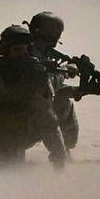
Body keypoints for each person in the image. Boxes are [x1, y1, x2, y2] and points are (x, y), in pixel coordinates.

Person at [0, 24, 68, 167]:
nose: (21, 54)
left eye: (25, 49)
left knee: (13, 168)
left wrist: (58, 156)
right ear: (5, 50)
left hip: (21, 136)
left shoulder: (35, 74)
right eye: (16, 50)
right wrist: (5, 84)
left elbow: (47, 119)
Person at [27, 11, 81, 150]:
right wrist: (66, 71)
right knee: (64, 104)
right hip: (30, 114)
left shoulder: (27, 48)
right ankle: (65, 150)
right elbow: (45, 81)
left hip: (25, 111)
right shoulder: (31, 53)